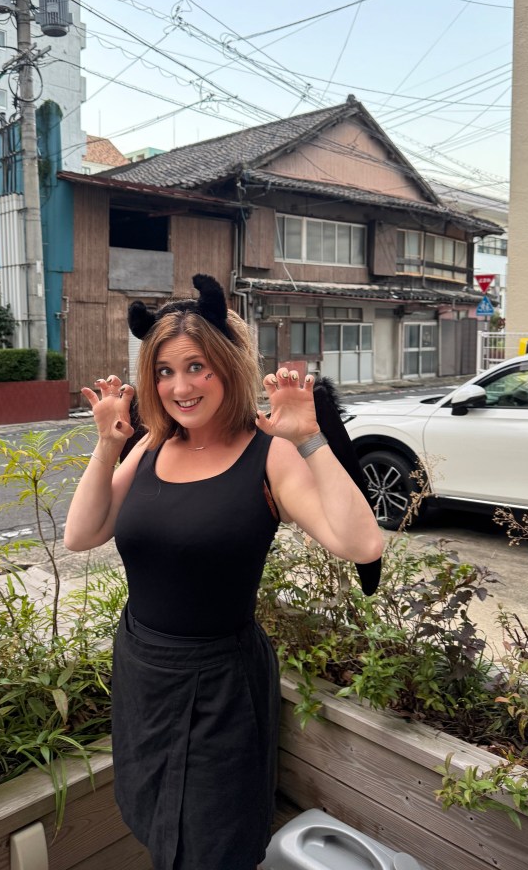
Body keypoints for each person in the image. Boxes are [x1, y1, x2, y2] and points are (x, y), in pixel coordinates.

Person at [64, 274, 384, 870]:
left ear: (228, 365)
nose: (179, 386)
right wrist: (108, 445)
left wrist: (310, 437)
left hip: (221, 685)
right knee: (155, 817)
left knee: (212, 840)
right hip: (143, 668)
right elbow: (81, 535)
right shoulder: (149, 448)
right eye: (164, 371)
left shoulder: (271, 453)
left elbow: (361, 543)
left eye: (195, 367)